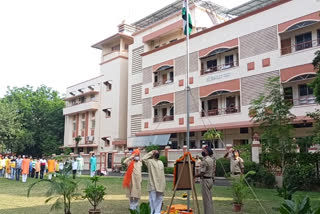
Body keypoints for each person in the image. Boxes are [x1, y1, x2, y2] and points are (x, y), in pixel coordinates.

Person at [196, 147, 214, 214]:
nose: (203, 151)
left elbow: (202, 173)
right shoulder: (211, 160)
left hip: (205, 180)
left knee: (206, 200)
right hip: (210, 180)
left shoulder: (205, 161)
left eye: (204, 150)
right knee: (209, 198)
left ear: (207, 152)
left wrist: (194, 176)